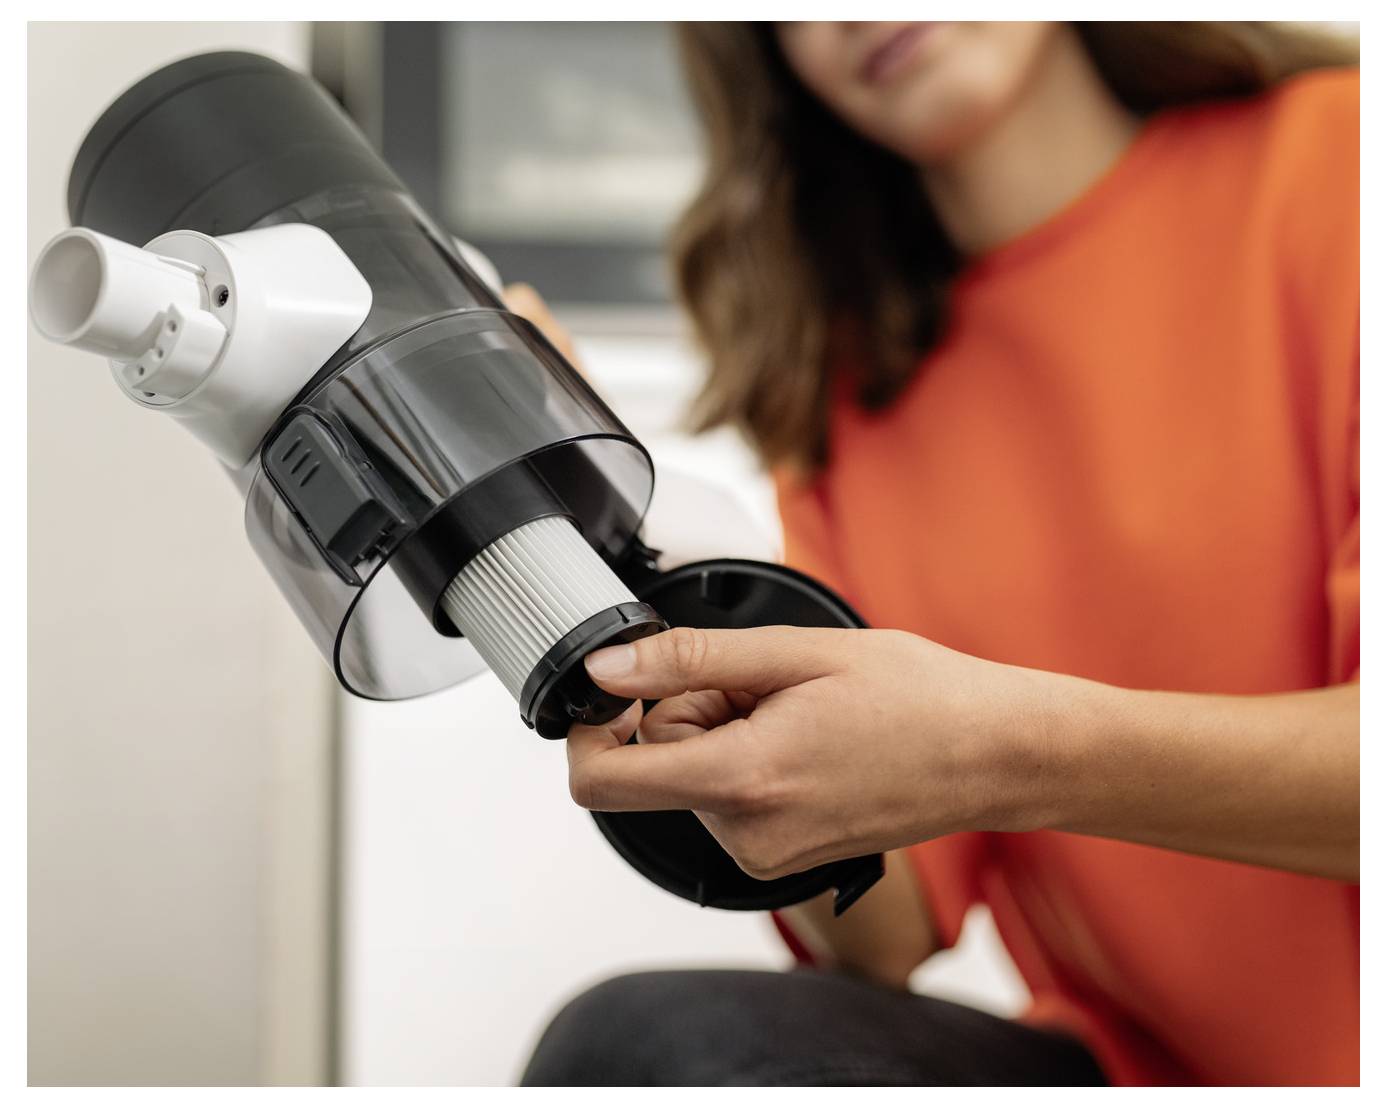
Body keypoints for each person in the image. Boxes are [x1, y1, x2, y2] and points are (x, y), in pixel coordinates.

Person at [509, 21, 1359, 1086]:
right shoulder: (850, 385)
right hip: (1141, 1074)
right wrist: (623, 564)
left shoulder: (1341, 163)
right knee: (645, 1046)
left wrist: (1006, 755)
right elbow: (884, 930)